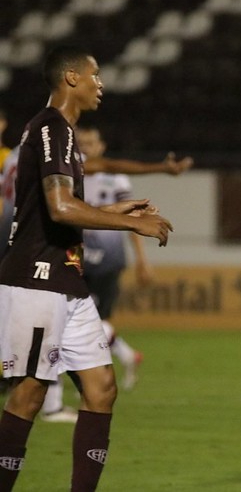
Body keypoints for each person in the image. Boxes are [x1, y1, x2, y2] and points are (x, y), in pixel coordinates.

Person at [0, 45, 173, 491]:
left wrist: (115, 210)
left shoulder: (65, 134)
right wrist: (131, 223)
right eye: (95, 75)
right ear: (71, 78)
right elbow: (60, 208)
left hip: (67, 279)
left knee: (101, 388)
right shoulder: (52, 128)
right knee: (31, 392)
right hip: (37, 278)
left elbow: (55, 206)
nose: (101, 84)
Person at [78, 125, 193, 392]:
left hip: (107, 258)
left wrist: (142, 259)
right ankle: (122, 357)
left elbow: (132, 220)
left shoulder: (116, 179)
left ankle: (96, 371)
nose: (86, 148)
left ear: (101, 147)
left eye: (91, 143)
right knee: (80, 317)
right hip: (77, 254)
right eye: (81, 143)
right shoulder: (71, 173)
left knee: (89, 318)